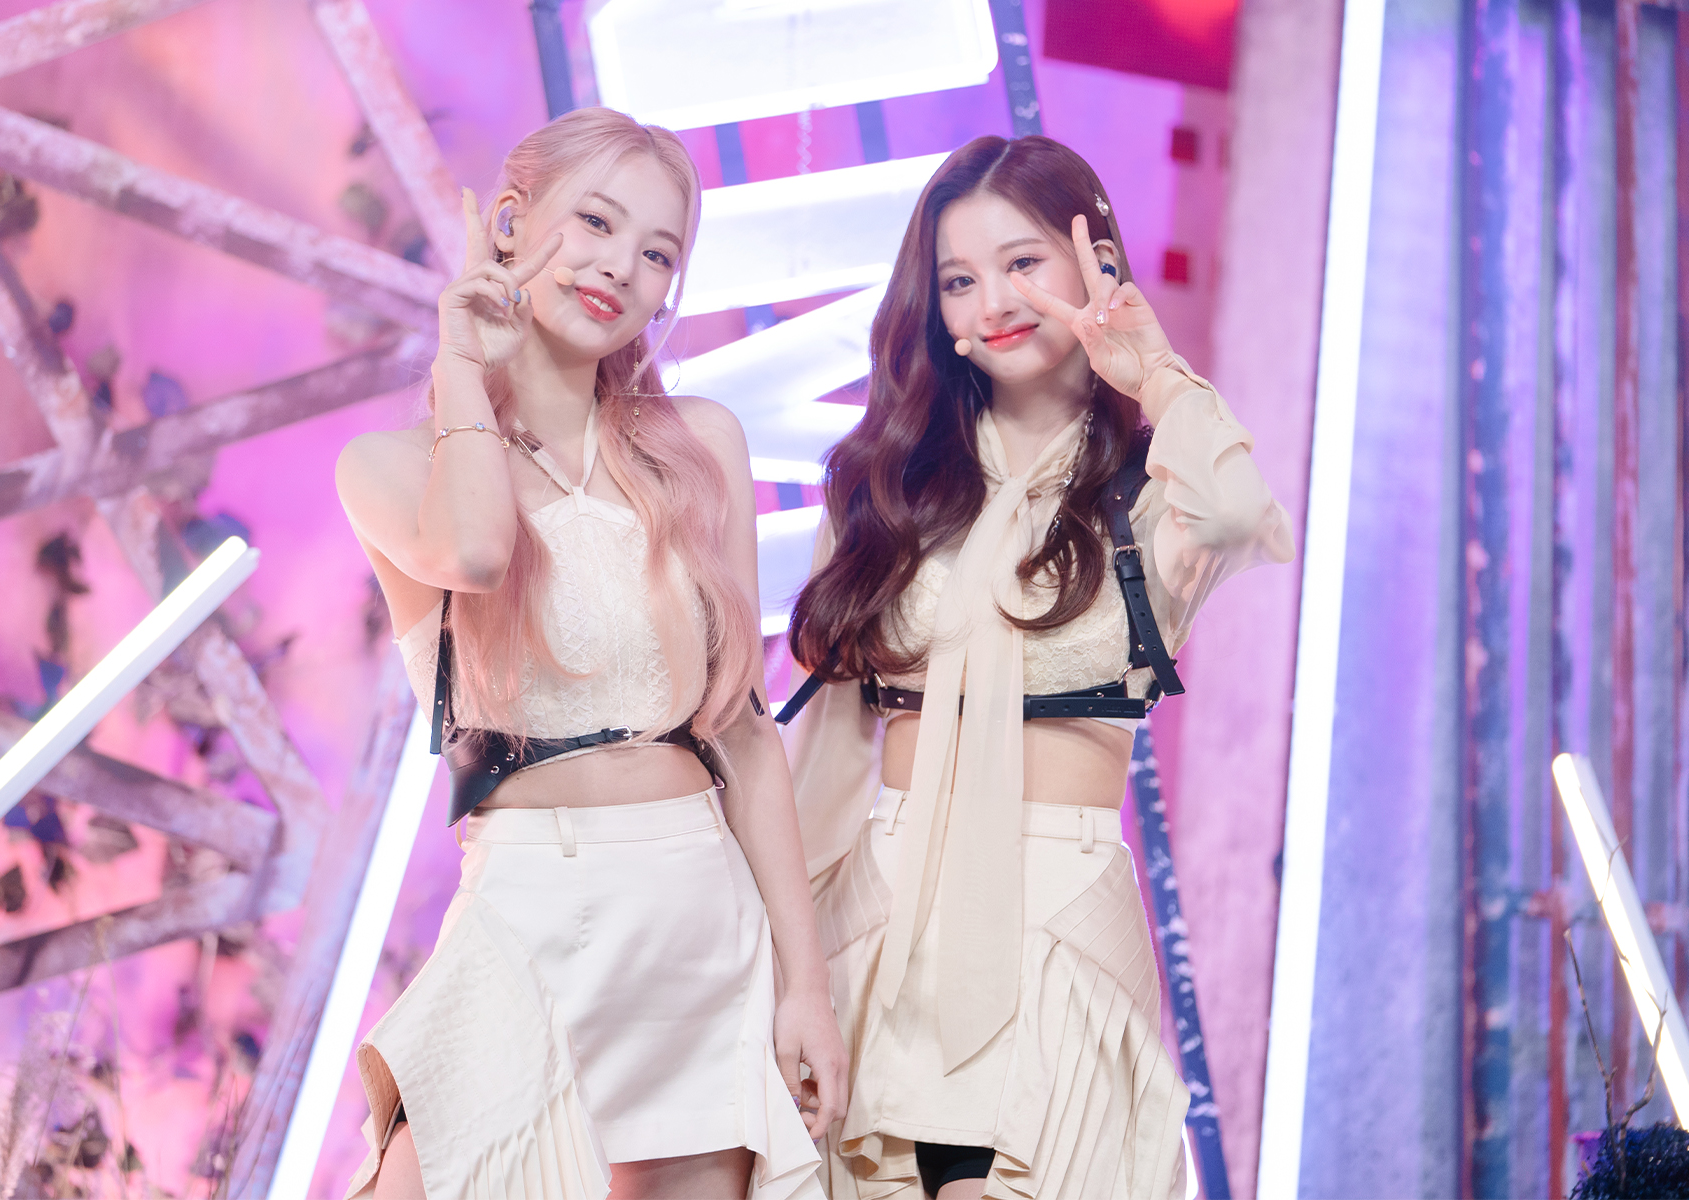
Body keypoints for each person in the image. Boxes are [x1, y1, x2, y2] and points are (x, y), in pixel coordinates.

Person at [334, 106, 845, 1200]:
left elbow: (744, 734)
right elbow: (475, 552)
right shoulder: (390, 465)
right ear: (509, 224)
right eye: (598, 223)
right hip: (526, 901)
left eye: (658, 253)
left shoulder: (701, 446)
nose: (621, 267)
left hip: (696, 911)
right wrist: (462, 367)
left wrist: (805, 985)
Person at [782, 135, 1294, 1199]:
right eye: (959, 281)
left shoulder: (1154, 482)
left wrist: (1152, 371)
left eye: (1023, 263)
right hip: (885, 906)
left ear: (1093, 259)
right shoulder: (884, 487)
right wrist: (790, 970)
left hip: (1060, 905)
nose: (995, 303)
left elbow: (1239, 515)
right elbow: (827, 755)